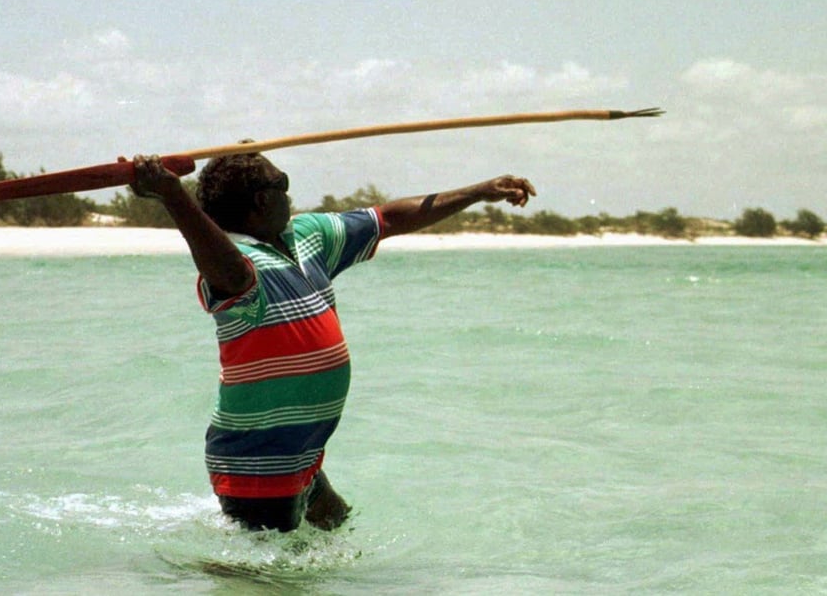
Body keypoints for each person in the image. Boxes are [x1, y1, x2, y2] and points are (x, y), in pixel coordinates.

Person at [126, 150, 535, 532]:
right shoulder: (236, 266)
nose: (291, 194)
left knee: (335, 525)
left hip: (302, 453)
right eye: (282, 184)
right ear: (261, 202)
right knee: (268, 580)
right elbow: (225, 264)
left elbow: (390, 219)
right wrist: (172, 195)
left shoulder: (308, 237)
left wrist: (479, 191)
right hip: (258, 462)